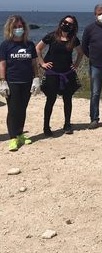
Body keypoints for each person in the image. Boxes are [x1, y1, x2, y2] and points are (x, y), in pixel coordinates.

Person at [36, 15, 84, 136]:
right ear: (61, 23)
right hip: (52, 73)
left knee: (67, 99)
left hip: (67, 73)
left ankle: (67, 124)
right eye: (65, 22)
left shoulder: (73, 39)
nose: (66, 25)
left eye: (70, 24)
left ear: (73, 27)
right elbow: (37, 48)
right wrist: (42, 63)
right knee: (50, 100)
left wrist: (76, 64)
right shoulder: (52, 36)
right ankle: (46, 126)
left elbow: (80, 52)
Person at [0, 15, 40, 151]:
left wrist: (36, 78)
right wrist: (2, 81)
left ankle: (20, 134)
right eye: (16, 27)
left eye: (20, 27)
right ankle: (12, 138)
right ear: (10, 28)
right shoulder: (6, 45)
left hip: (27, 81)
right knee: (13, 110)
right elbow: (2, 64)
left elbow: (34, 63)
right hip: (12, 81)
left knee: (22, 109)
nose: (19, 29)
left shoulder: (29, 45)